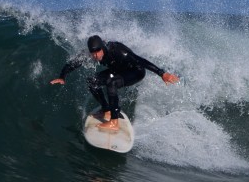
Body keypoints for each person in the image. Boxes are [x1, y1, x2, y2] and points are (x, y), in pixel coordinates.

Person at [50, 34, 179, 131]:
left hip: (135, 71)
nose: (95, 56)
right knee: (92, 81)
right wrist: (62, 77)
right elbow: (72, 64)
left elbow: (140, 60)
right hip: (118, 70)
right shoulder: (92, 53)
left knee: (111, 83)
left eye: (97, 52)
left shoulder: (118, 51)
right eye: (93, 53)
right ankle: (106, 109)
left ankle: (114, 122)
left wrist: (162, 73)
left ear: (102, 48)